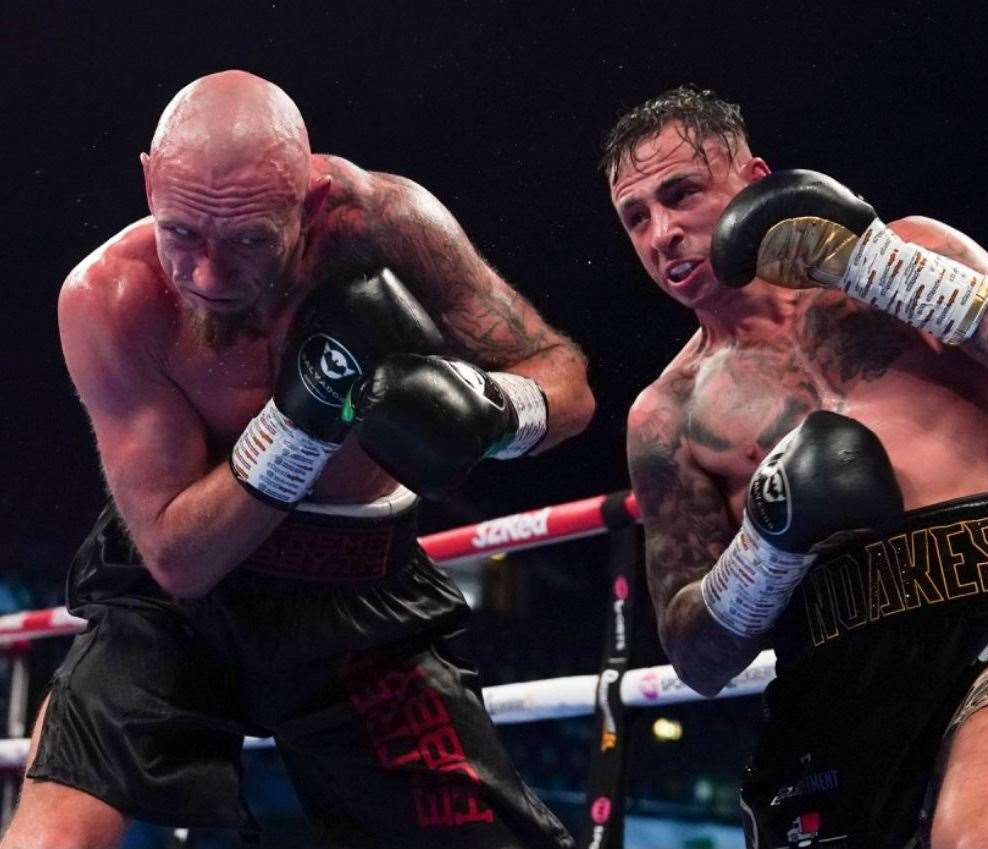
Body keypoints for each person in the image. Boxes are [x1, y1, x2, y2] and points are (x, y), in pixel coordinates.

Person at [605, 86, 988, 848]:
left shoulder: (905, 253)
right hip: (833, 675)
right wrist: (766, 545)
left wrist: (874, 263)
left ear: (753, 179)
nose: (663, 233)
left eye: (681, 193)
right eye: (636, 218)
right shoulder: (667, 414)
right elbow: (695, 653)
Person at [4, 70, 593, 849]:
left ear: (311, 203)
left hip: (358, 597)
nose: (209, 276)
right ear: (149, 178)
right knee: (56, 833)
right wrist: (301, 422)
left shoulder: (387, 226)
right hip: (171, 611)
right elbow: (178, 559)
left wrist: (492, 409)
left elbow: (566, 380)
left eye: (250, 239)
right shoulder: (112, 299)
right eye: (181, 231)